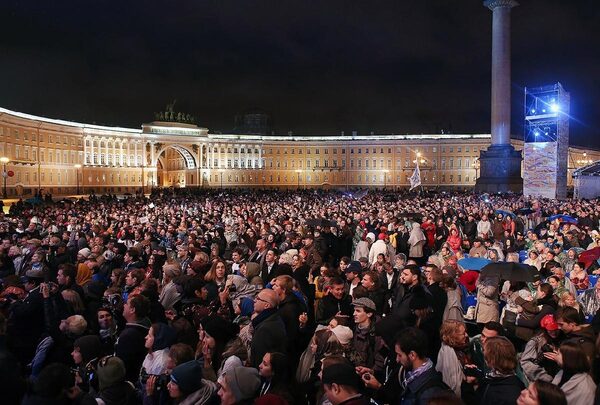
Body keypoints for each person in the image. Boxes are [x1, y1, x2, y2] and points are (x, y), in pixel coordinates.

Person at [471, 336, 524, 405]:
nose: (483, 353)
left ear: (491, 361)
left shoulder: (509, 395)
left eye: (484, 351)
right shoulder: (493, 378)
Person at [115, 294, 151, 382]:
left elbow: (122, 365)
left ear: (132, 310)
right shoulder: (146, 325)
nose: (124, 305)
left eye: (126, 303)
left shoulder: (129, 336)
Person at [549, 341, 596, 405]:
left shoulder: (586, 388)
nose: (556, 354)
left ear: (568, 358)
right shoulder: (563, 371)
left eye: (559, 353)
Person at [250, 289, 286, 368]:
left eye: (258, 299)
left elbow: (260, 359)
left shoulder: (265, 329)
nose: (254, 300)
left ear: (266, 305)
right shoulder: (272, 318)